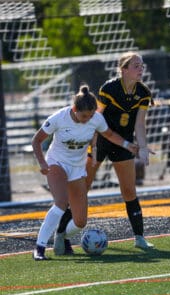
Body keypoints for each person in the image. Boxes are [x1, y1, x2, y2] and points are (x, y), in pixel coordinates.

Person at [55, 51, 155, 253]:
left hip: (123, 143)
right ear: (124, 69)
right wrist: (91, 146)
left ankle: (139, 237)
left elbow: (140, 125)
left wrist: (142, 147)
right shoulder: (109, 88)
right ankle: (61, 236)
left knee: (129, 191)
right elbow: (94, 118)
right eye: (136, 65)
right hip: (101, 142)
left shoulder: (143, 93)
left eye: (142, 65)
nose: (140, 69)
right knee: (81, 190)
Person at [32, 84, 138, 260]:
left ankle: (62, 235)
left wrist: (128, 145)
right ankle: (40, 248)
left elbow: (110, 134)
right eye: (84, 116)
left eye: (90, 116)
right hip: (56, 162)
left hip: (77, 168)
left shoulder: (96, 118)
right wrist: (42, 163)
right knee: (61, 203)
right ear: (74, 109)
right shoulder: (59, 117)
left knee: (80, 221)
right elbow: (36, 140)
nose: (87, 119)